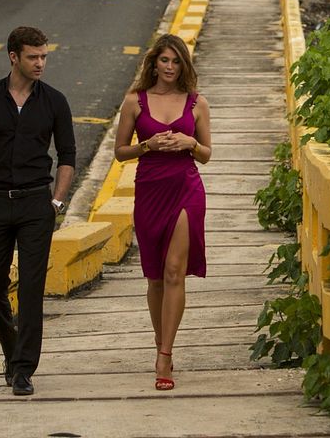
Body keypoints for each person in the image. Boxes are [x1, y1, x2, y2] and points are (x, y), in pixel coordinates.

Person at [0, 26, 75, 397]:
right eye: (33, 56)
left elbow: (68, 156)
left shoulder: (55, 102)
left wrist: (56, 202)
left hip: (35, 203)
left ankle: (24, 369)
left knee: (31, 288)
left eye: (44, 56)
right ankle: (12, 354)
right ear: (14, 57)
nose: (40, 63)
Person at [114, 34, 211, 391]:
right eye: (164, 61)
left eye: (176, 62)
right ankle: (160, 341)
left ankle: (165, 355)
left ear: (184, 65)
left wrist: (190, 143)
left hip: (186, 187)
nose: (170, 68)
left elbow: (206, 154)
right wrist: (148, 145)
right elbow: (120, 152)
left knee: (174, 271)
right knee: (155, 277)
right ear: (154, 63)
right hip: (150, 189)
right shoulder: (134, 102)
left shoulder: (197, 103)